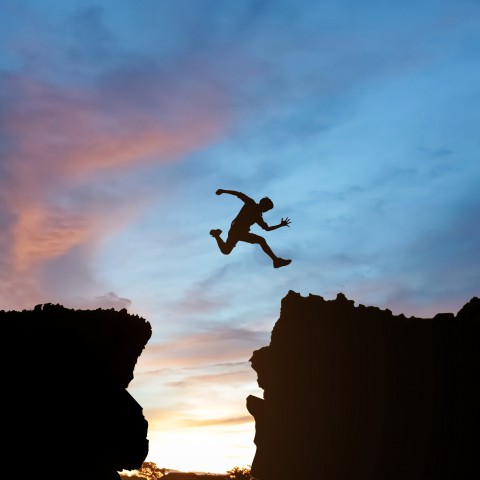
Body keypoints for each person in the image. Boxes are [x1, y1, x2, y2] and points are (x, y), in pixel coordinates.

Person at [210, 188, 292, 268]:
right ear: (263, 205)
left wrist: (280, 225)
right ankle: (276, 261)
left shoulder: (258, 216)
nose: (266, 211)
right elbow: (238, 194)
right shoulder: (251, 203)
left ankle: (217, 235)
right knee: (227, 250)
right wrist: (223, 191)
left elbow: (267, 228)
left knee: (226, 251)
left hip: (240, 233)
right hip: (236, 231)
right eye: (267, 208)